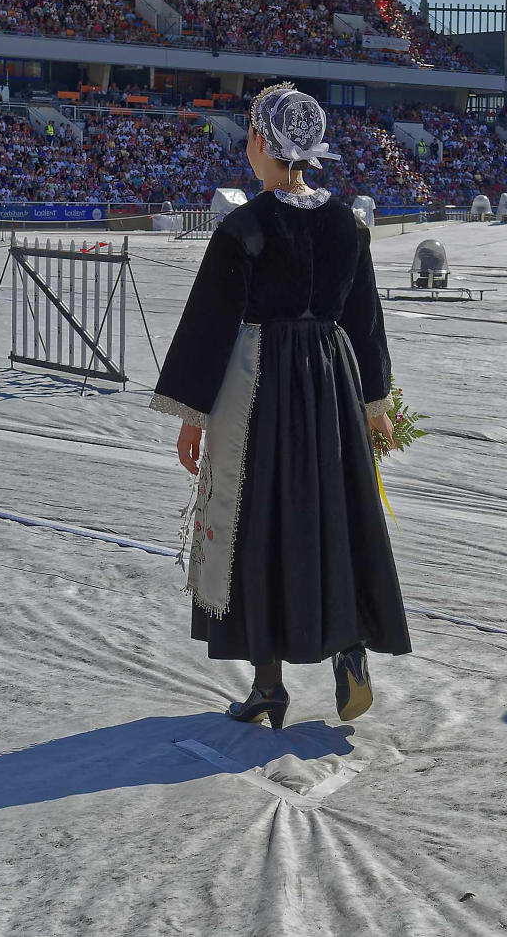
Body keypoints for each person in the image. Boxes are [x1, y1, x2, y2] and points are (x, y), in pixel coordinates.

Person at [151, 83, 410, 728]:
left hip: (261, 393)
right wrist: (375, 405)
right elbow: (365, 322)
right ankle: (348, 656)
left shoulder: (246, 227)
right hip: (329, 389)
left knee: (258, 522)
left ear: (265, 145)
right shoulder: (348, 225)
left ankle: (268, 686)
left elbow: (210, 325)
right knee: (336, 515)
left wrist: (192, 415)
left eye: (251, 138)